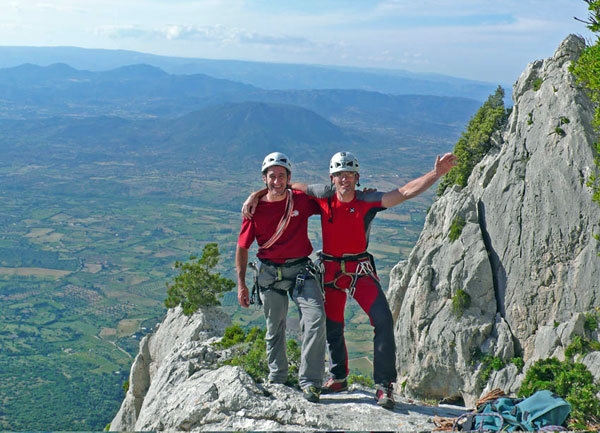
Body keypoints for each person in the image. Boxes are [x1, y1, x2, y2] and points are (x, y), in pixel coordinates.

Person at [246, 150, 457, 409]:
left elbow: (404, 192)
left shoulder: (367, 199)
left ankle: (384, 385)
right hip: (332, 269)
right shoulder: (323, 196)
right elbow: (284, 185)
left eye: (348, 175)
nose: (343, 179)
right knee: (332, 324)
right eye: (338, 175)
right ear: (331, 178)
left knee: (382, 319)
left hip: (359, 269)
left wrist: (436, 174)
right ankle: (338, 377)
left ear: (357, 178)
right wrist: (256, 195)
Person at [235, 152, 326, 403]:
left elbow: (328, 197)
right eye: (272, 176)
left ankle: (310, 383)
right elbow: (242, 247)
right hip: (269, 273)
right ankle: (278, 377)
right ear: (264, 179)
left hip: (301, 270)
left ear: (289, 178)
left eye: (282, 176)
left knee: (316, 318)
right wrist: (241, 284)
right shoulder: (255, 210)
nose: (277, 181)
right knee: (275, 327)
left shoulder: (300, 200)